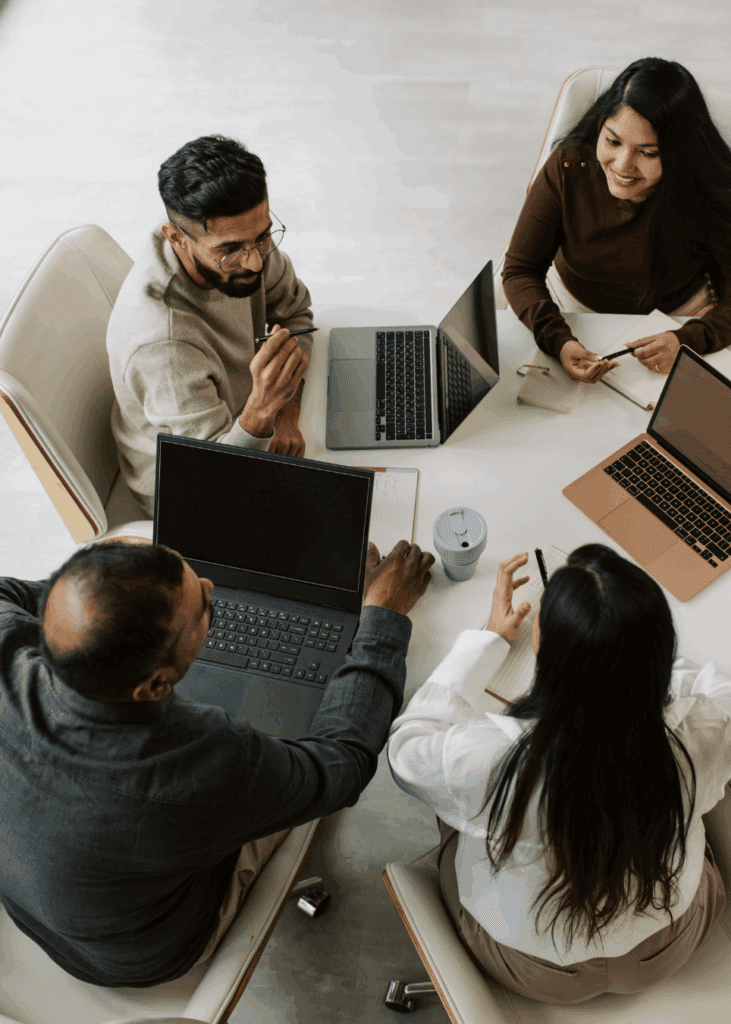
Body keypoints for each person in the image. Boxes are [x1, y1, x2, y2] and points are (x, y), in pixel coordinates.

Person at [0, 534, 434, 987]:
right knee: (293, 743)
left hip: (33, 907)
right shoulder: (201, 764)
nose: (210, 586)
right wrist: (382, 618)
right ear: (154, 685)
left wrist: (109, 598)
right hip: (141, 955)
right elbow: (341, 766)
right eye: (203, 610)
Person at [388, 545, 731, 1003]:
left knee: (454, 806)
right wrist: (637, 657)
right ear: (658, 651)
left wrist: (488, 640)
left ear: (545, 650)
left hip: (535, 968)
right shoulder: (703, 730)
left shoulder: (491, 760)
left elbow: (406, 749)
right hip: (668, 946)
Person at [502, 57, 731, 383]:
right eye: (612, 141)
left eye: (647, 153)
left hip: (679, 316)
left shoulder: (708, 181)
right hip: (570, 309)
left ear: (679, 152)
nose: (623, 166)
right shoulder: (569, 164)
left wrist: (688, 340)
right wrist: (558, 340)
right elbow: (520, 270)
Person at [107, 134, 313, 516]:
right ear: (177, 238)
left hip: (246, 423)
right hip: (193, 493)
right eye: (229, 250)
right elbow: (216, 481)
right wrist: (264, 409)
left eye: (264, 235)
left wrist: (286, 412)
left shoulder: (243, 239)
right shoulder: (163, 347)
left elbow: (295, 313)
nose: (254, 262)